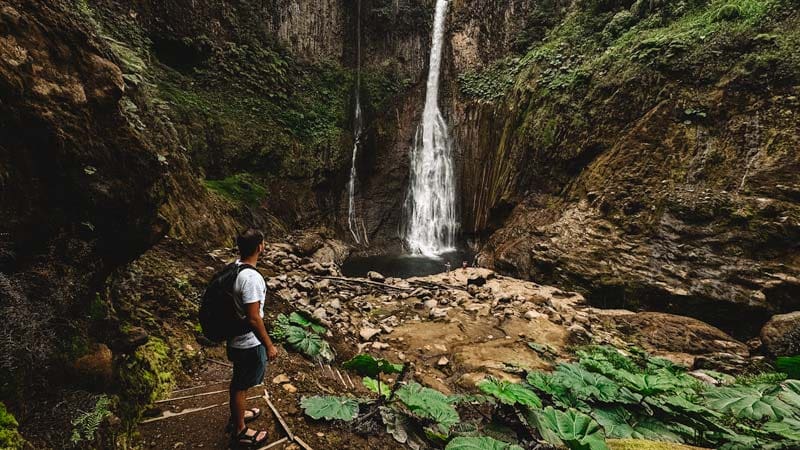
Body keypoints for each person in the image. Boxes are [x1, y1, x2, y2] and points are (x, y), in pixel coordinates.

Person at [227, 229, 279, 448]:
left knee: (241, 382)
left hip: (234, 337)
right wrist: (269, 345)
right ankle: (240, 430)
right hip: (247, 342)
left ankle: (239, 415)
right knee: (240, 385)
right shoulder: (251, 278)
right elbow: (254, 318)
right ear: (260, 247)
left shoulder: (234, 269)